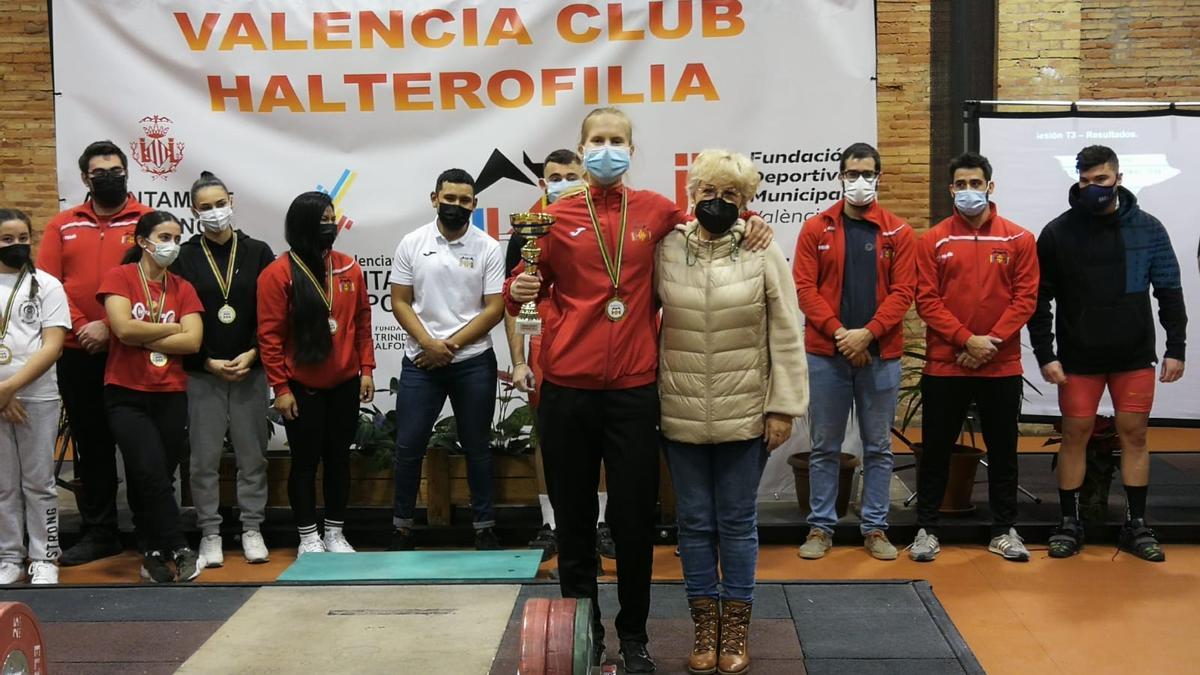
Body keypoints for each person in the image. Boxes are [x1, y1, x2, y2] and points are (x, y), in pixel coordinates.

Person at [506, 107, 772, 673]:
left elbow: (711, 224)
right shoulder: (550, 216)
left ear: (631, 148)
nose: (608, 149)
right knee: (574, 523)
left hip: (632, 392)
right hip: (567, 391)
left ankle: (634, 636)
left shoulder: (656, 210)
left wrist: (755, 221)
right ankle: (584, 631)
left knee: (632, 523)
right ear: (581, 151)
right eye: (598, 140)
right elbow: (523, 292)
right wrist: (519, 285)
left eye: (618, 140)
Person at [656, 150, 808, 675]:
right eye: (708, 193)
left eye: (731, 196)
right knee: (695, 525)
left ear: (747, 202)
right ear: (691, 194)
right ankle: (705, 628)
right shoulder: (667, 249)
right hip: (678, 411)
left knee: (738, 524)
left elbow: (786, 332)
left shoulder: (764, 251)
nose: (717, 203)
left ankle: (736, 629)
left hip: (747, 412)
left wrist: (784, 407)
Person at [1029, 145, 1186, 562]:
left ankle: (1137, 525)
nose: (1093, 187)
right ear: (1077, 181)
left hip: (1133, 356)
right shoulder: (1057, 233)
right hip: (1078, 359)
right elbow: (1038, 300)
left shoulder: (1148, 229)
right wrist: (1046, 355)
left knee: (1134, 436)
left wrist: (1177, 348)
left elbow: (1169, 289)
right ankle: (1069, 523)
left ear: (1118, 177)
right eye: (1085, 181)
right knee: (1074, 437)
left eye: (1100, 179)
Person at [910, 152, 1039, 563]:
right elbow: (927, 301)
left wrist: (990, 343)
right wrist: (966, 340)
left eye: (975, 183)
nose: (969, 191)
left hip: (1000, 366)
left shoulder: (1019, 239)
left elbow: (1025, 299)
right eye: (961, 184)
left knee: (1004, 450)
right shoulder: (933, 240)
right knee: (935, 449)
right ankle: (927, 529)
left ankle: (1004, 530)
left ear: (990, 187)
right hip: (946, 365)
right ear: (951, 190)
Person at [793, 142, 916, 562]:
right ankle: (821, 527)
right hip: (827, 356)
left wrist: (867, 334)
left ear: (879, 177)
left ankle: (876, 527)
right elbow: (805, 290)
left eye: (867, 174)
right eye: (851, 173)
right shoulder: (815, 228)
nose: (859, 181)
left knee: (878, 446)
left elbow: (904, 293)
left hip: (882, 356)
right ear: (840, 176)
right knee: (825, 445)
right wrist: (842, 334)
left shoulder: (899, 231)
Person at [37, 140, 154, 565]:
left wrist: (114, 327)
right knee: (92, 443)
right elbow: (48, 285)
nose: (110, 177)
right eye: (100, 172)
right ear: (85, 178)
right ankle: (101, 531)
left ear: (128, 172)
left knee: (144, 442)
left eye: (116, 170)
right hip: (77, 350)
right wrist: (85, 325)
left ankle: (151, 529)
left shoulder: (147, 220)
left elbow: (156, 280)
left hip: (135, 348)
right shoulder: (62, 225)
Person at [503, 148, 615, 563]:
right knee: (545, 436)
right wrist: (518, 361)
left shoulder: (602, 226)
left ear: (585, 177)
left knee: (600, 436)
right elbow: (512, 304)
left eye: (572, 174)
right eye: (556, 176)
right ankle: (551, 524)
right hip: (542, 343)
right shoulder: (526, 234)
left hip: (589, 340)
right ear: (543, 183)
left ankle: (600, 522)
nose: (565, 181)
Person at [388, 169, 505, 551]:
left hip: (472, 361)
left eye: (464, 201)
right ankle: (402, 526)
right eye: (449, 199)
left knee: (477, 446)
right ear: (434, 198)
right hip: (421, 361)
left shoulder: (487, 246)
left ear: (474, 204)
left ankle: (484, 526)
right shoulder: (412, 242)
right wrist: (428, 344)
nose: (456, 206)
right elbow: (400, 301)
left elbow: (494, 310)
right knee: (408, 446)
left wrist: (448, 346)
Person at [258, 192, 376, 556]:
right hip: (301, 387)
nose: (331, 226)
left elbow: (362, 323)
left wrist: (367, 369)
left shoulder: (348, 267)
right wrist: (280, 387)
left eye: (333, 218)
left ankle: (335, 532)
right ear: (303, 224)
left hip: (344, 382)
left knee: (339, 459)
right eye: (323, 220)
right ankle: (308, 535)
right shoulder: (277, 274)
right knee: (305, 462)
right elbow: (270, 336)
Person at [172, 172, 276, 567]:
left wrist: (254, 354)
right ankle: (210, 533)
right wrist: (206, 361)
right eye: (206, 207)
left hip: (250, 367)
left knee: (253, 456)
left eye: (220, 204)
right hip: (203, 372)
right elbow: (179, 316)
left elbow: (269, 314)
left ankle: (252, 528)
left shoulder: (259, 252)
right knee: (203, 460)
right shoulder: (183, 256)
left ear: (231, 200)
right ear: (194, 211)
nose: (215, 213)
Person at [98, 211, 204, 582]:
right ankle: (178, 545)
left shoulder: (183, 287)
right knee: (148, 470)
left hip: (170, 392)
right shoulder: (120, 277)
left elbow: (193, 341)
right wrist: (170, 327)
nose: (171, 245)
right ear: (143, 241)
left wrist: (149, 332)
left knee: (160, 474)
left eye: (176, 238)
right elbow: (123, 329)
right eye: (164, 237)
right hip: (126, 392)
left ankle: (151, 549)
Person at [0, 209, 70, 585]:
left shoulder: (47, 285)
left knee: (39, 481)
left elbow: (53, 345)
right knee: (3, 483)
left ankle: (45, 556)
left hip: (38, 396)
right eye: (7, 239)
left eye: (23, 238)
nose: (17, 245)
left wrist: (8, 389)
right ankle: (8, 555)